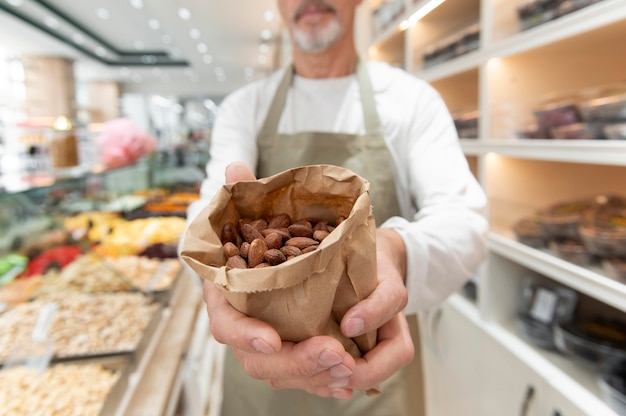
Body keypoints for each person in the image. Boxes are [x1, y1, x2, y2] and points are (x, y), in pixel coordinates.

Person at [185, 0, 489, 414]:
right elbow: (208, 216)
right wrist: (216, 284)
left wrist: (393, 251)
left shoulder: (411, 101)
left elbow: (465, 221)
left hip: (370, 358)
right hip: (263, 364)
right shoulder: (245, 108)